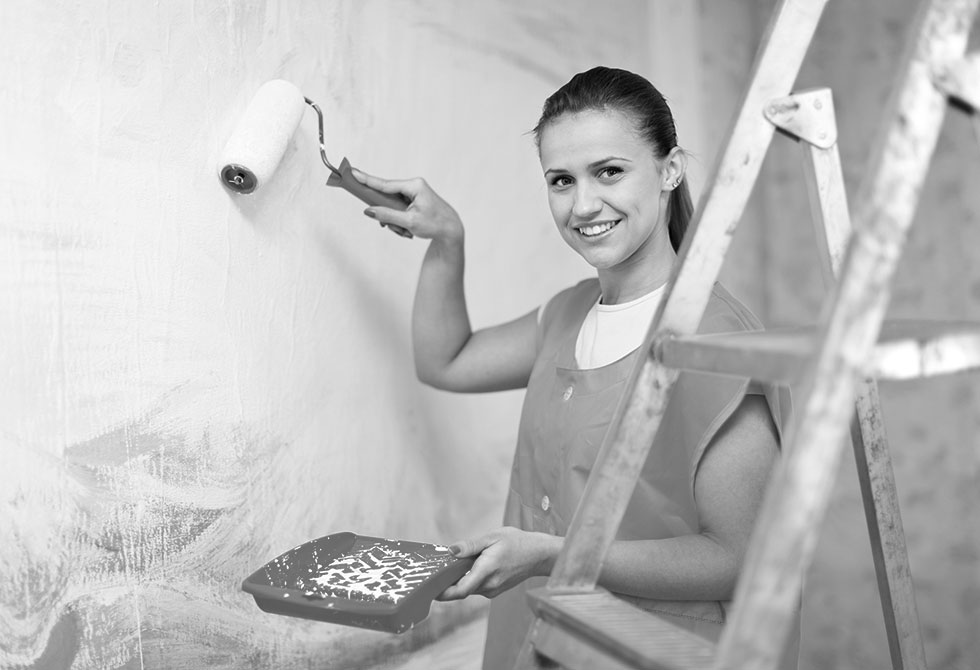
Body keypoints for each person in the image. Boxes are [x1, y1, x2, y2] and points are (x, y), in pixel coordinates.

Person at [354, 66, 798, 670]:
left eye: (609, 171)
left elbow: (739, 557)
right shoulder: (567, 315)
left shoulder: (716, 342)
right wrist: (447, 240)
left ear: (670, 170)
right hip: (544, 644)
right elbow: (446, 362)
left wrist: (551, 553)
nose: (583, 205)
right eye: (561, 180)